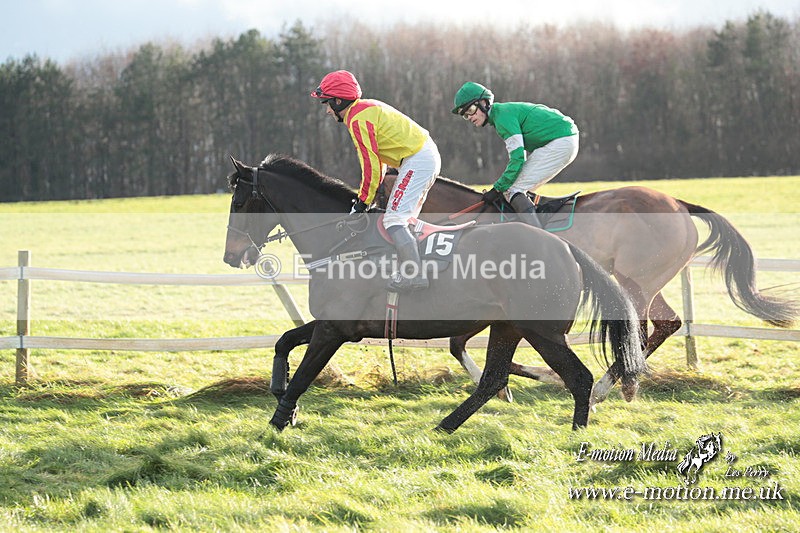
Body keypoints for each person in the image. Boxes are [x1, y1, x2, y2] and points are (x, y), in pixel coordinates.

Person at [311, 70, 440, 291]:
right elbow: (378, 165)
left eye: (327, 104)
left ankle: (415, 275)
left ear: (338, 101)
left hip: (417, 159)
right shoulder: (363, 110)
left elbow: (370, 166)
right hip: (421, 156)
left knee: (394, 220)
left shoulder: (357, 119)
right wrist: (365, 200)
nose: (327, 111)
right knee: (403, 220)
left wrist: (362, 202)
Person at [452, 82, 579, 228]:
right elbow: (520, 157)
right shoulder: (501, 114)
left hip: (561, 141)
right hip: (563, 139)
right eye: (465, 115)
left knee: (512, 189)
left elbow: (518, 158)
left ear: (484, 103)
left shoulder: (502, 118)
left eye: (472, 110)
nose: (470, 117)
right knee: (514, 188)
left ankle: (537, 235)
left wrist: (497, 188)